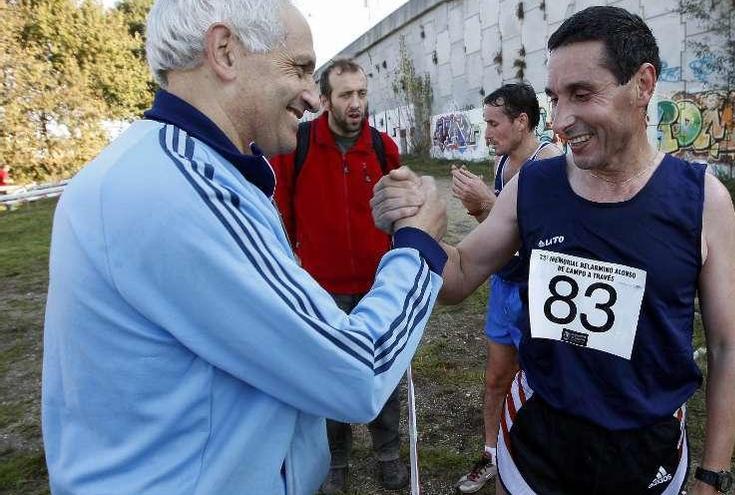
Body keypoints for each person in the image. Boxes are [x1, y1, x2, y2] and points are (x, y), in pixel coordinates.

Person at [41, 2, 447, 495]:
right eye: (298, 67)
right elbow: (356, 370)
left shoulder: (175, 169)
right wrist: (418, 244)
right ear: (225, 52)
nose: (310, 96)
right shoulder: (178, 191)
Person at [373, 6, 735, 495]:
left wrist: (712, 476)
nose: (561, 119)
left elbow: (727, 345)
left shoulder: (702, 200)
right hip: (537, 445)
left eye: (582, 94)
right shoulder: (535, 185)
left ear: (643, 84)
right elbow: (460, 273)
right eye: (555, 97)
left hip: (647, 454)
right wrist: (411, 226)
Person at [268, 58, 407, 494]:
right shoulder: (298, 145)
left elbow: (401, 216)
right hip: (320, 290)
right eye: (346, 95)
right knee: (327, 380)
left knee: (383, 376)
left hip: (376, 287)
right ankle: (335, 462)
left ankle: (389, 454)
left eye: (362, 93)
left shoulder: (384, 148)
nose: (356, 103)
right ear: (324, 99)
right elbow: (281, 216)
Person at [449, 83, 561, 494]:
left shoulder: (549, 165)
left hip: (540, 296)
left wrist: (489, 203)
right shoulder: (502, 163)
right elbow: (501, 238)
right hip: (505, 285)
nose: (487, 133)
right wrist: (480, 208)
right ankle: (491, 455)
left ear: (521, 121)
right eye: (485, 124)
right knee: (497, 377)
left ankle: (531, 460)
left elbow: (551, 239)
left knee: (539, 383)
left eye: (494, 123)